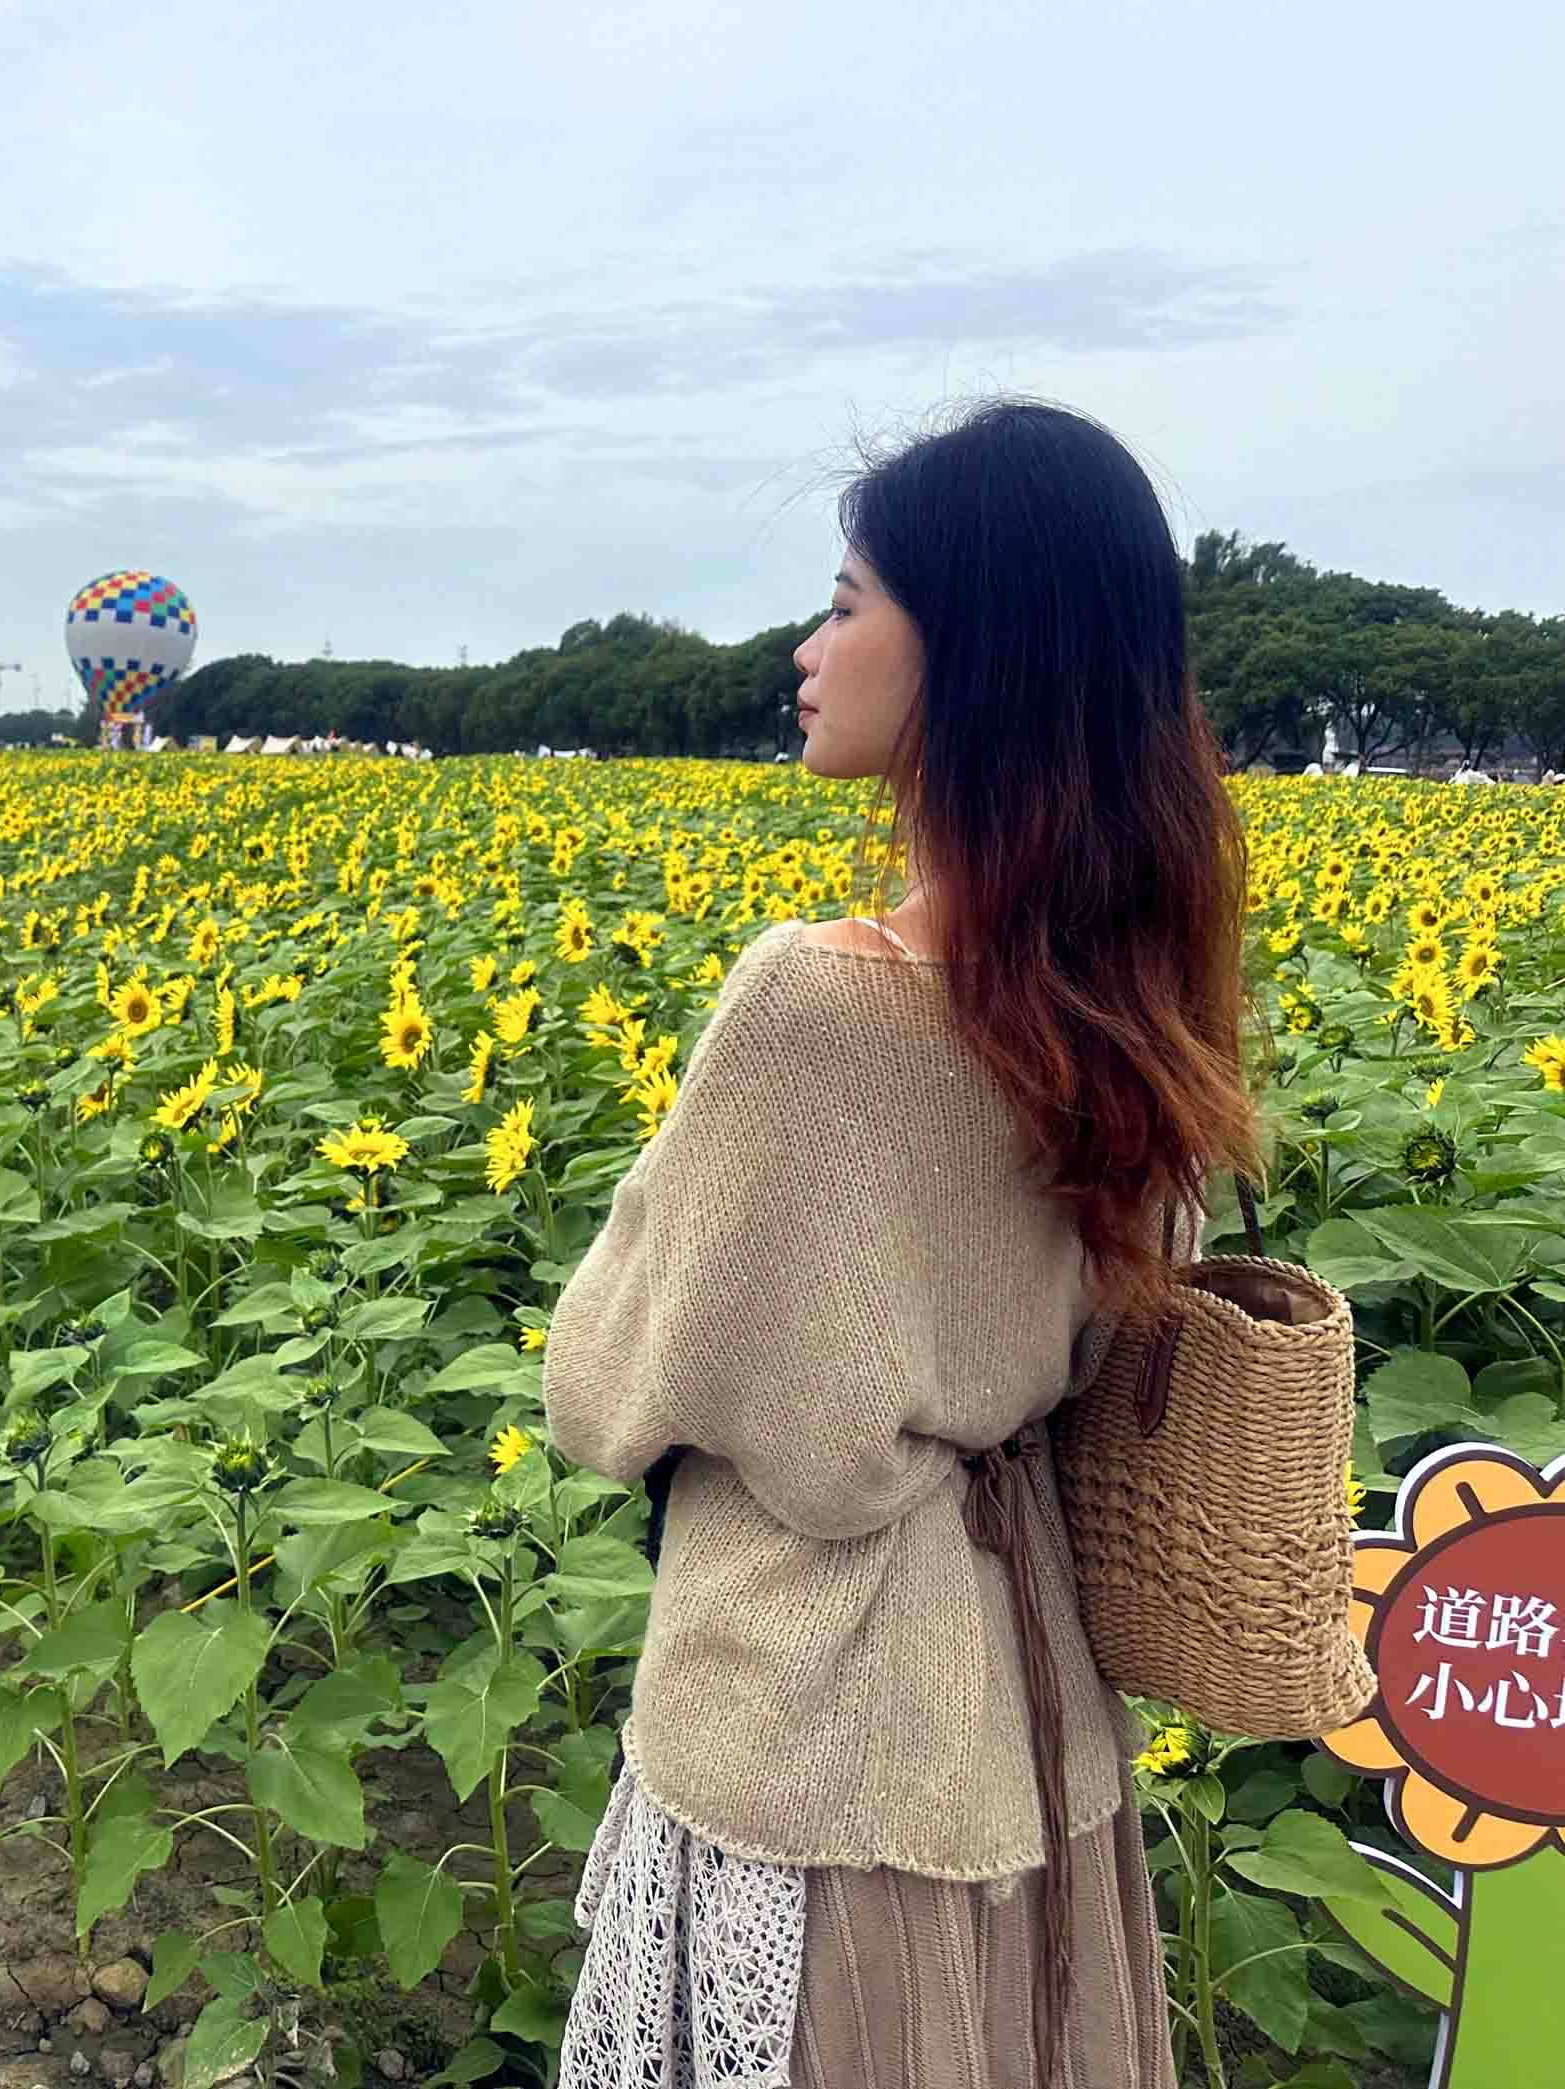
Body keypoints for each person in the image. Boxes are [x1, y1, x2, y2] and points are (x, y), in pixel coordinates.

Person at [544, 398, 1244, 2089]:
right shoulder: (1133, 990)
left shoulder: (816, 1004)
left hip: (809, 1721)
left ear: (968, 651)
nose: (809, 644)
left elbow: (607, 1379)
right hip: (1030, 1711)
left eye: (849, 600)